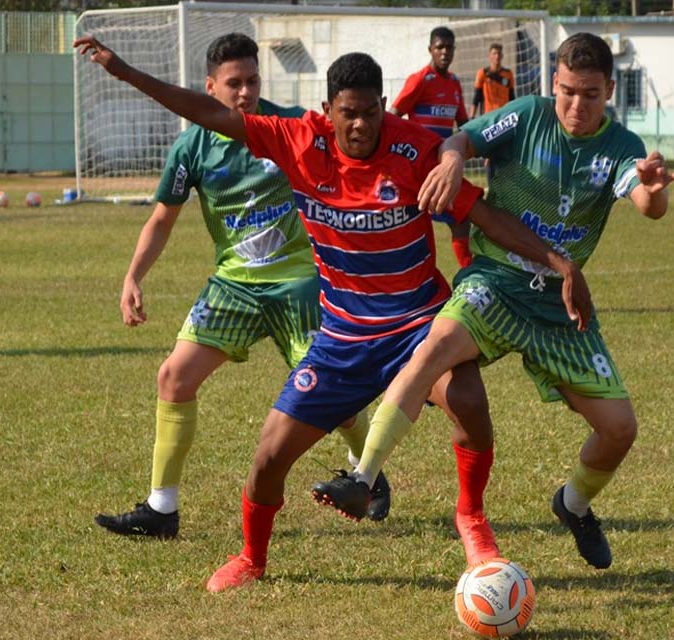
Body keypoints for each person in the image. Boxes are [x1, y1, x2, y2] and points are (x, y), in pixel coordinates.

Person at [74, 36, 589, 591]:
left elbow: (485, 215)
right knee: (270, 457)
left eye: (371, 113)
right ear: (327, 112)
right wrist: (126, 71)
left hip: (417, 324)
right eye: (349, 114)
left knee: (467, 398)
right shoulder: (297, 140)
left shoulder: (415, 151)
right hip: (340, 335)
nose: (361, 125)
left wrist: (561, 265)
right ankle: (253, 557)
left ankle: (472, 518)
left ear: (384, 107)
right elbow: (207, 112)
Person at [312, 32, 674, 571]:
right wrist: (454, 160)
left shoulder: (620, 146)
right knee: (433, 347)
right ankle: (362, 478)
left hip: (560, 307)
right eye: (569, 92)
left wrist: (654, 186)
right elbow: (461, 138)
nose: (578, 106)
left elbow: (648, 204)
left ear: (609, 93)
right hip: (496, 281)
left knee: (620, 428)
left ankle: (573, 505)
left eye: (592, 95)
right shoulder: (528, 115)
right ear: (554, 82)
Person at [93, 33, 391, 540]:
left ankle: (369, 471)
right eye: (234, 83)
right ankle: (162, 509)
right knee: (174, 377)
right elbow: (162, 219)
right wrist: (132, 277)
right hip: (235, 286)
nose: (246, 92)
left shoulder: (291, 126)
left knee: (333, 399)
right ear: (211, 86)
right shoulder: (193, 147)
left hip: (300, 284)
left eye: (252, 80)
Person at [390, 26, 473, 269]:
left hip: (443, 168)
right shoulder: (420, 80)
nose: (445, 52)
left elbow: (464, 123)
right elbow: (394, 115)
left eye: (449, 47)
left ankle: (467, 271)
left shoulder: (454, 83)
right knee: (420, 224)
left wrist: (487, 146)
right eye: (440, 47)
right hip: (419, 169)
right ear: (430, 50)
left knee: (461, 217)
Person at [470, 43, 515, 120]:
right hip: (487, 115)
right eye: (494, 54)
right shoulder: (483, 73)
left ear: (502, 56)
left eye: (499, 53)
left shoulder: (508, 74)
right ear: (489, 56)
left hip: (504, 115)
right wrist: (472, 117)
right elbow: (476, 97)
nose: (497, 56)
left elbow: (512, 97)